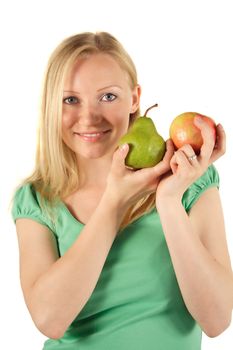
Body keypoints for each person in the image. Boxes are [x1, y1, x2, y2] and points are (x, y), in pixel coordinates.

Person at [11, 31, 233, 350]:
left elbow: (217, 320)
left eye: (108, 96)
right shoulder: (38, 199)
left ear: (135, 98)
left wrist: (168, 201)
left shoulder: (192, 180)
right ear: (51, 105)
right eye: (70, 99)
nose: (89, 117)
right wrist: (114, 202)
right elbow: (50, 319)